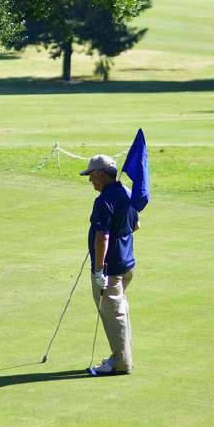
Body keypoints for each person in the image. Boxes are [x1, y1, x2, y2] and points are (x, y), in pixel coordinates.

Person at [80, 154, 138, 377]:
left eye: (92, 175)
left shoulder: (104, 200)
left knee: (114, 315)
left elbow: (102, 236)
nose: (90, 180)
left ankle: (120, 362)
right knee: (120, 310)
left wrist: (98, 269)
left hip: (110, 269)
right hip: (127, 264)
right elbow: (136, 225)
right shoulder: (128, 193)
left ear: (102, 174)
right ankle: (123, 355)